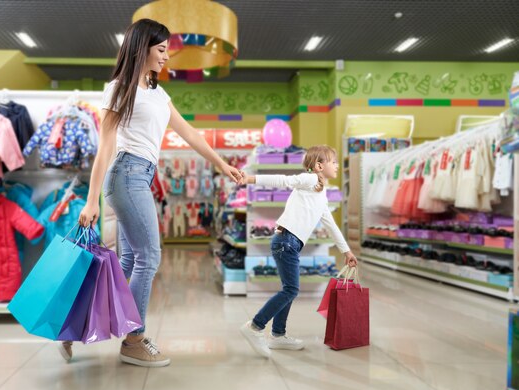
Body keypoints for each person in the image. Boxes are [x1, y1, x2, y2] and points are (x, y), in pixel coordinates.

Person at [65, 18, 243, 367]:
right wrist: (91, 200)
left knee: (129, 263)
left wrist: (222, 165)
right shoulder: (119, 88)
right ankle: (134, 339)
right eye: (161, 50)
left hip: (141, 178)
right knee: (150, 257)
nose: (166, 57)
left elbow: (191, 133)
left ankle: (75, 329)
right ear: (142, 48)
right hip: (126, 176)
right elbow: (106, 147)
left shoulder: (159, 94)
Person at [238, 145, 357, 358]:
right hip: (286, 241)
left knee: (289, 289)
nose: (337, 165)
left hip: (289, 243)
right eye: (333, 162)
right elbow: (283, 180)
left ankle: (278, 335)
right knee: (291, 290)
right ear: (319, 166)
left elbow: (330, 225)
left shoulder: (321, 194)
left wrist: (346, 251)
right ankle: (255, 326)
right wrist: (250, 180)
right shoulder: (310, 180)